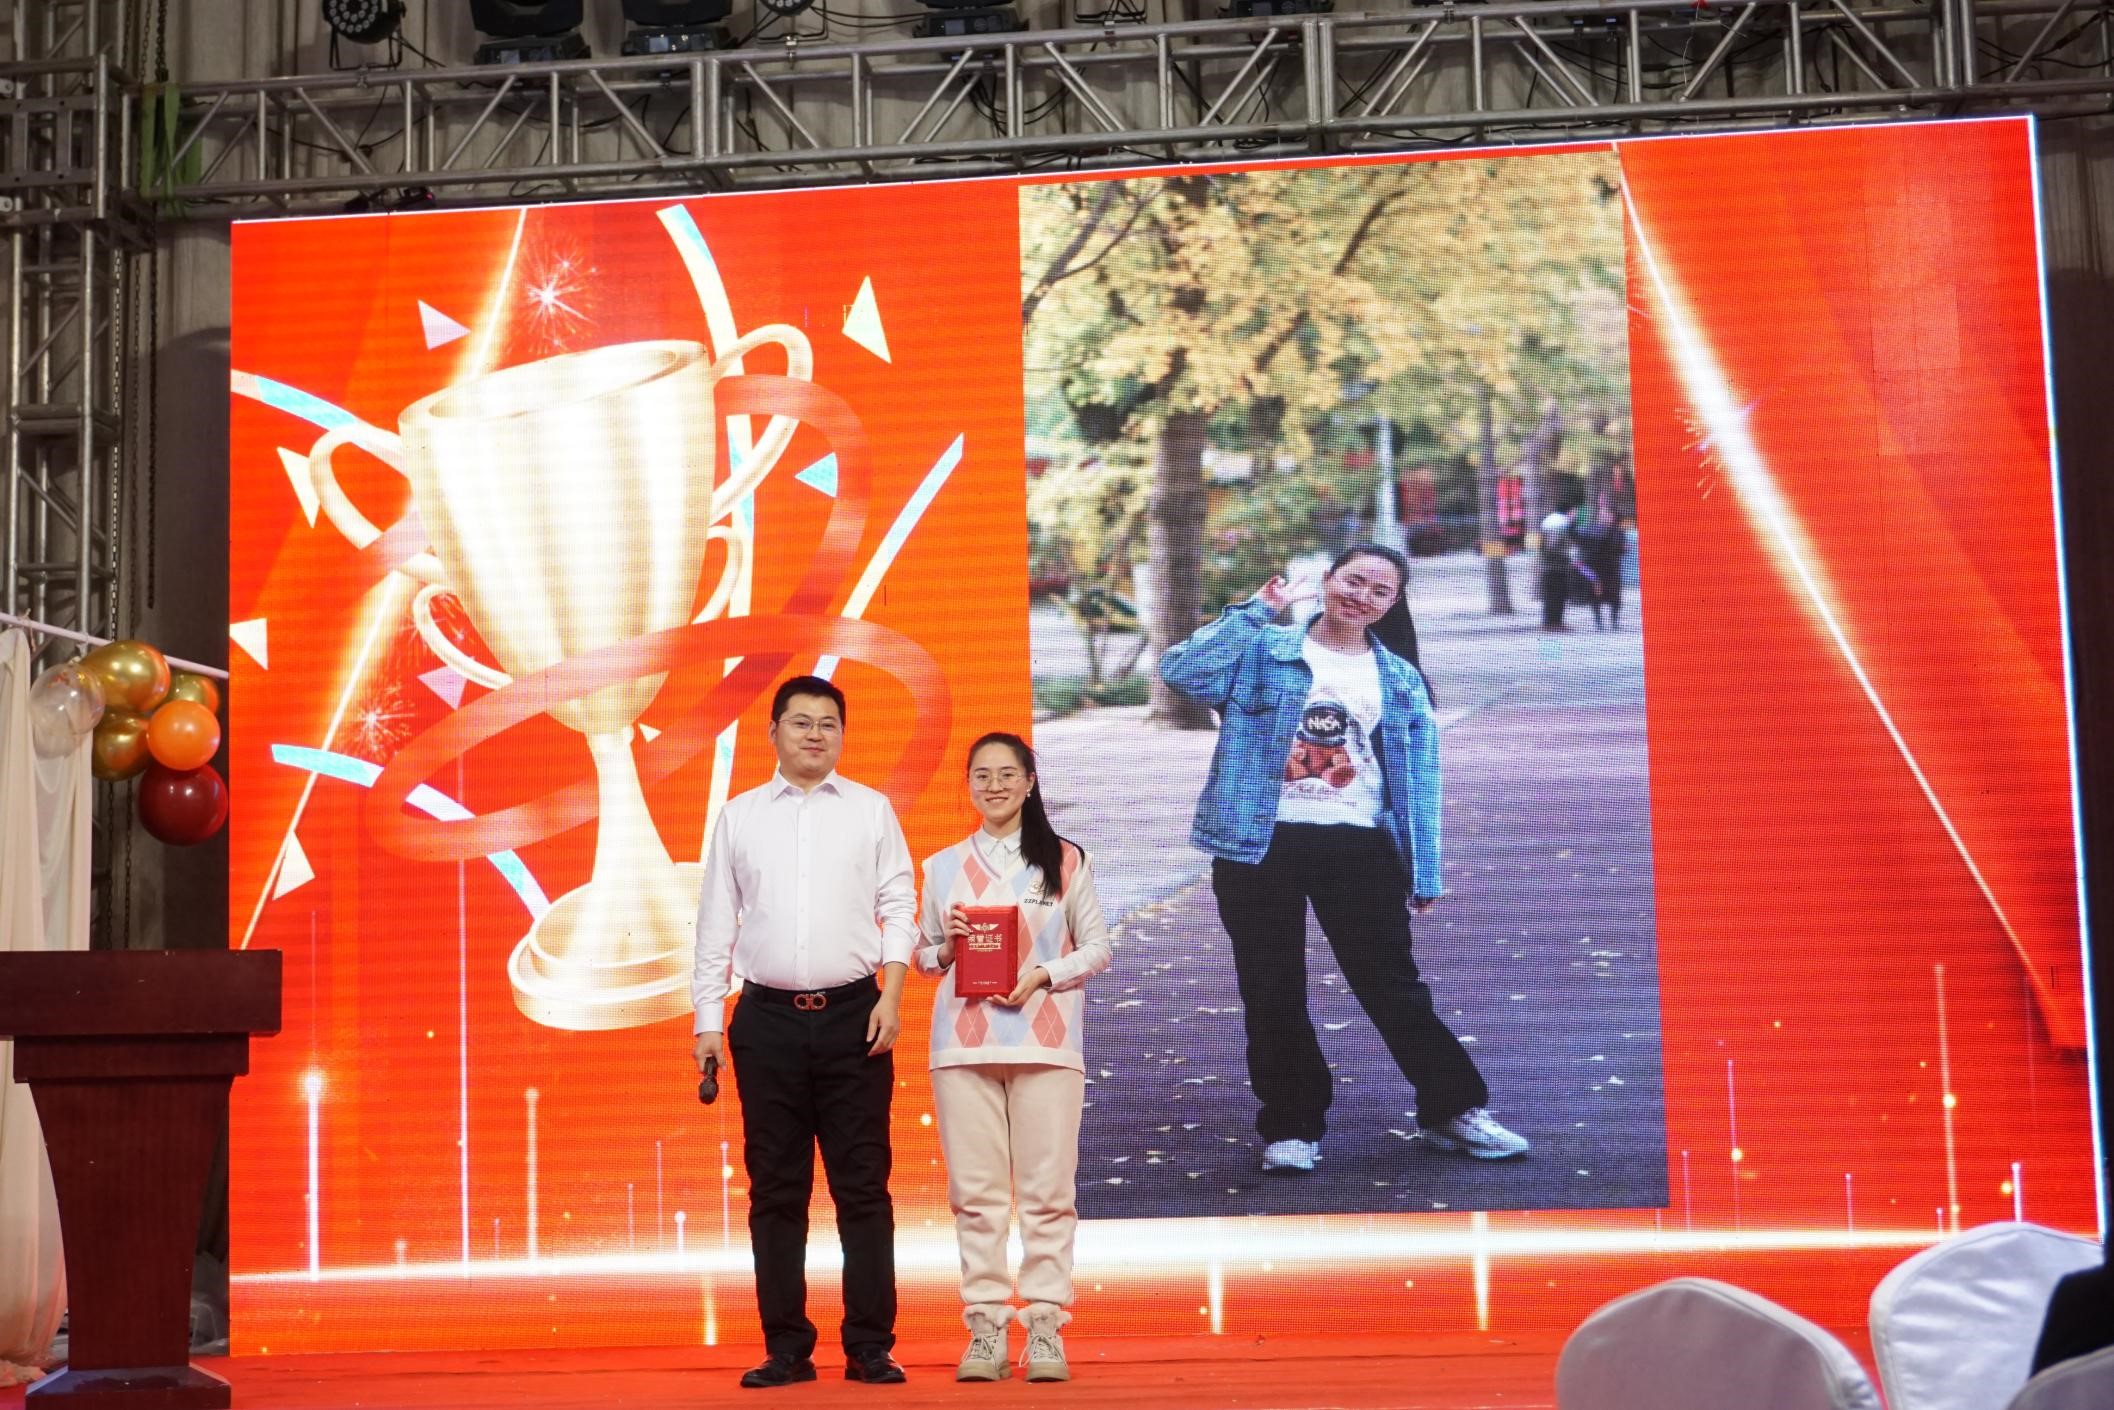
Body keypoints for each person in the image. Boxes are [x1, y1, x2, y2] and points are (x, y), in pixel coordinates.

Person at [1159, 543, 1529, 1174]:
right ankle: (1292, 1127)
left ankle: (1454, 1109)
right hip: (1258, 843)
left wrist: (1424, 867)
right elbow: (1181, 672)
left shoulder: (1400, 679)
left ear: (1393, 604)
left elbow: (1418, 779)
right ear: (1328, 580)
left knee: (1392, 985)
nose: (1363, 597)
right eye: (1354, 581)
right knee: (1272, 989)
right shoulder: (1265, 651)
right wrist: (1256, 610)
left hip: (1357, 844)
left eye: (1381, 591)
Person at [691, 675, 914, 1389]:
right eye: (801, 722)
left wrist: (891, 996)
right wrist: (706, 1021)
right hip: (766, 1023)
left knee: (863, 1188)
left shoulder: (872, 810)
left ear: (842, 735)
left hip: (856, 1017)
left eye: (828, 724)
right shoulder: (739, 817)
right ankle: (786, 1347)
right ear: (774, 733)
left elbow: (900, 905)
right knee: (776, 1190)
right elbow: (714, 927)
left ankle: (870, 1345)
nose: (815, 734)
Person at [914, 732, 1112, 1383]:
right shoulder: (942, 866)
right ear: (968, 785)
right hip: (962, 1045)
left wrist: (1045, 975)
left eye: (1007, 774)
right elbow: (923, 955)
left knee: (1047, 1192)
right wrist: (948, 950)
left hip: (1046, 1044)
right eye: (982, 775)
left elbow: (1098, 948)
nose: (994, 785)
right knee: (976, 1196)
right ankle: (986, 1328)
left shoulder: (1065, 859)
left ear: (1030, 782)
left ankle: (1046, 1324)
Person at [1574, 502, 1627, 630]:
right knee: (1596, 594)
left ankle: (1614, 621)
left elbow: (1622, 548)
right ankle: (1598, 621)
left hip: (1612, 568)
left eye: (1607, 514)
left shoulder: (1618, 531)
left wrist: (1621, 549)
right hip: (1596, 569)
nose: (1605, 517)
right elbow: (1580, 541)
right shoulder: (1591, 529)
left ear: (1613, 516)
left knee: (1614, 596)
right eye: (1602, 514)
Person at [1538, 510, 1573, 632]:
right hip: (1554, 571)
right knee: (1554, 597)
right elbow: (1553, 552)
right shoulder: (1554, 535)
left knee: (1558, 597)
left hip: (1555, 570)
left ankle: (1556, 622)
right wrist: (1567, 554)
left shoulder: (1547, 535)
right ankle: (1551, 623)